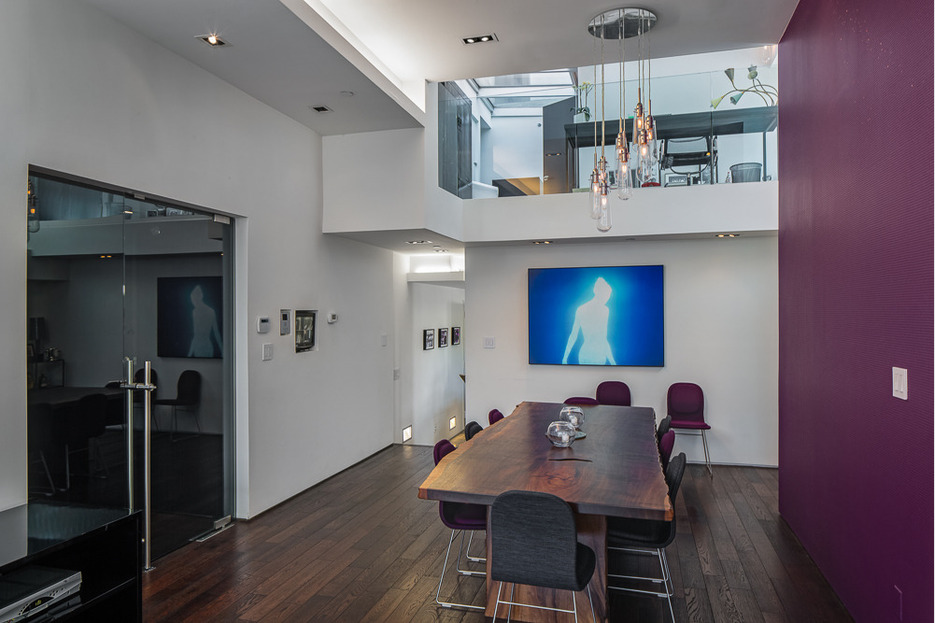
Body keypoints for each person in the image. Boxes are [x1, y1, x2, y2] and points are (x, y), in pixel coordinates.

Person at [562, 277, 616, 365]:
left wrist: (612, 361)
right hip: (589, 356)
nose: (607, 299)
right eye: (606, 296)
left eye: (608, 296)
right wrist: (565, 357)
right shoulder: (582, 310)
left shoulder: (605, 310)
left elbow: (603, 339)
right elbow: (573, 335)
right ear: (598, 293)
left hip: (598, 356)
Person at [187, 285, 222, 357]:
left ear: (198, 298)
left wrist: (189, 355)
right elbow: (216, 333)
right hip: (206, 346)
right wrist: (222, 351)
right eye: (192, 300)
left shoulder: (196, 312)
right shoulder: (211, 311)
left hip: (200, 347)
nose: (193, 302)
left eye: (193, 300)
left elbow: (196, 335)